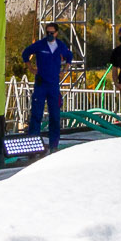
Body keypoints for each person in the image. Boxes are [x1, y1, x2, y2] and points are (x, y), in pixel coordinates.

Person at [19, 20, 74, 149]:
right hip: (41, 84)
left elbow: (69, 57)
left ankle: (53, 145)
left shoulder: (60, 45)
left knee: (55, 115)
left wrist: (64, 71)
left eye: (52, 32)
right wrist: (31, 68)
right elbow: (25, 53)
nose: (49, 34)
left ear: (56, 33)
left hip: (54, 84)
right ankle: (33, 145)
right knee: (36, 114)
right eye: (47, 32)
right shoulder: (40, 45)